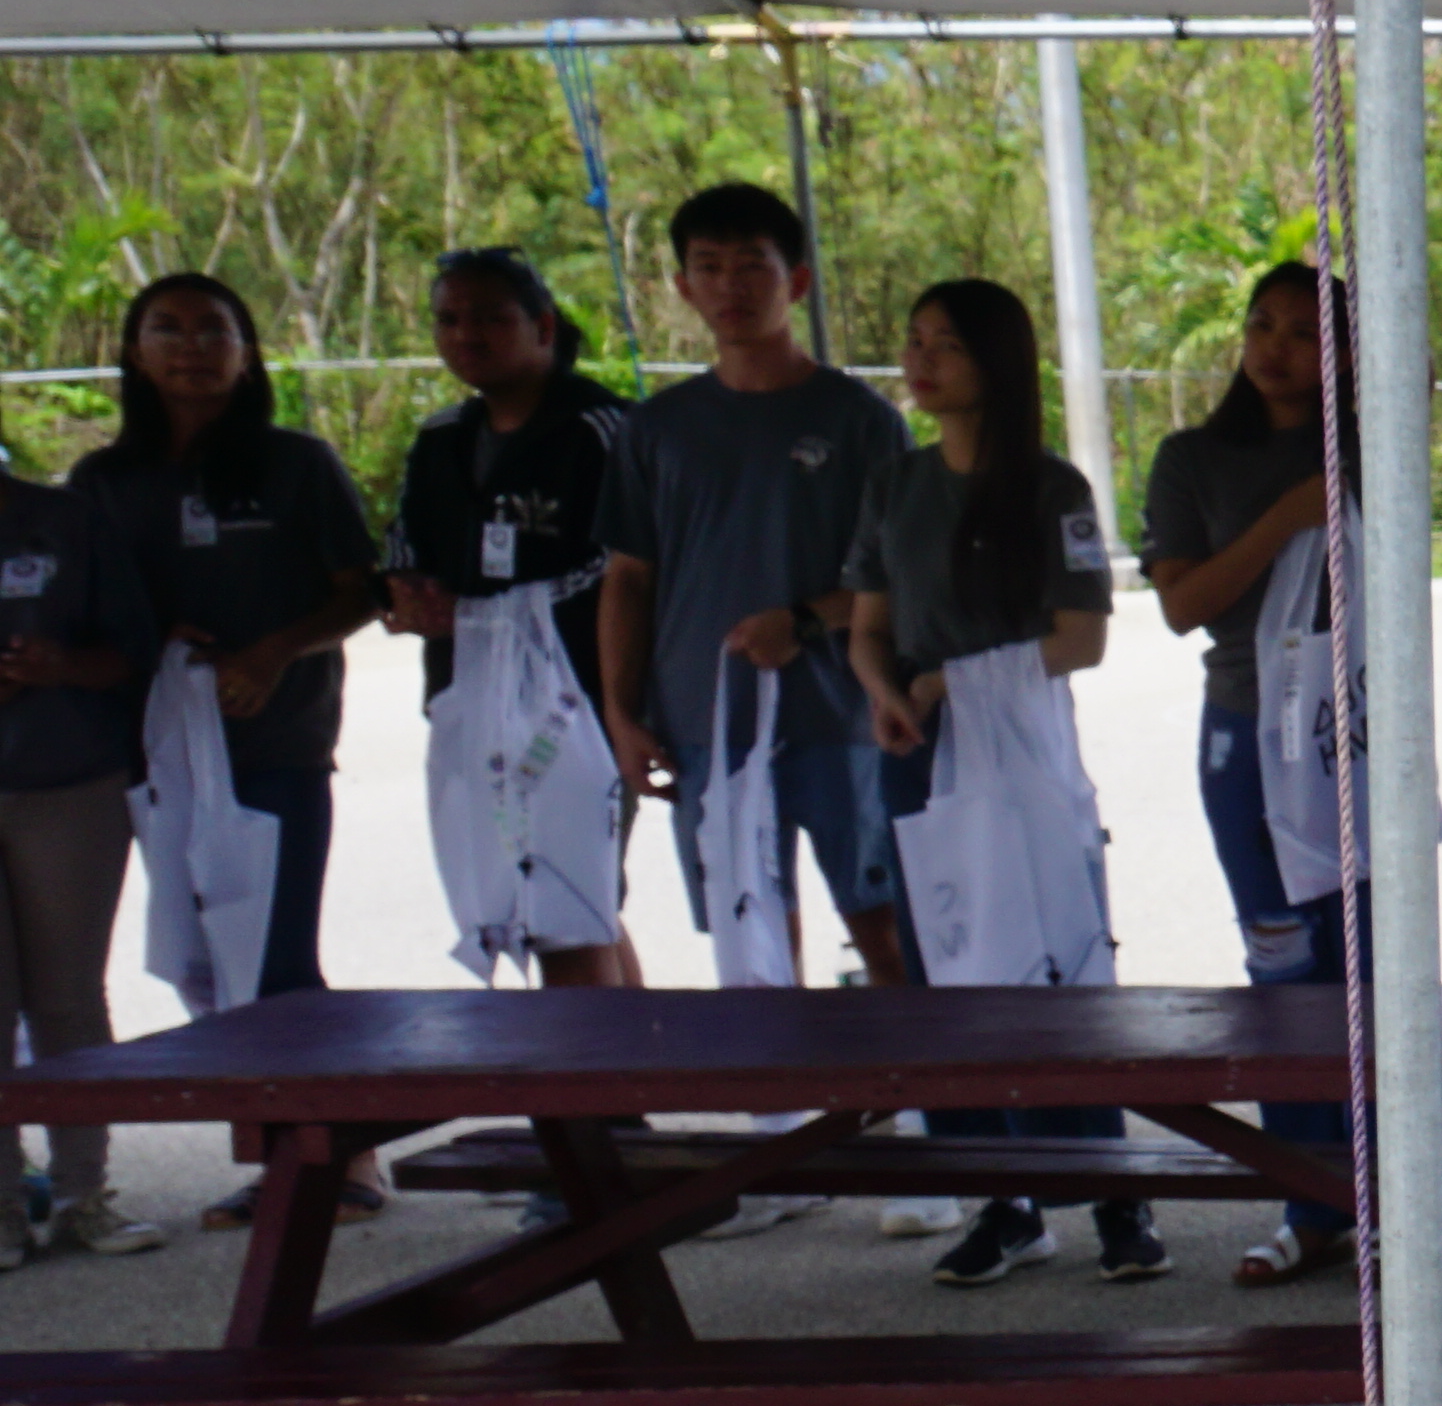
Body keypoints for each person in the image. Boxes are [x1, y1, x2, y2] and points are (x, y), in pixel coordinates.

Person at [845, 276, 1155, 1291]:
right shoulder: (896, 483)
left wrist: (951, 679)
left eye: (948, 344)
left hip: (1022, 751)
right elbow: (867, 629)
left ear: (998, 361)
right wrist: (889, 692)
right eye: (914, 337)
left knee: (1061, 961)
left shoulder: (1050, 487)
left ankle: (1113, 1191)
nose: (922, 360)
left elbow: (1083, 638)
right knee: (953, 976)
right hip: (926, 756)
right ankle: (1000, 1198)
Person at [76, 274, 388, 1221]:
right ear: (134, 353)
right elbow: (89, 609)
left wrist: (273, 650)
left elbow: (363, 591)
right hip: (154, 756)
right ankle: (301, 1150)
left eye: (215, 328)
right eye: (164, 329)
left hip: (278, 743)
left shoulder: (298, 464)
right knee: (205, 956)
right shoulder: (101, 481)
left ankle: (341, 1167)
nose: (190, 346)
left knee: (280, 954)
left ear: (248, 351)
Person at [599, 182, 920, 1037]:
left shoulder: (860, 421)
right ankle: (799, 1131)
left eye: (753, 267)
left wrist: (807, 619)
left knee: (887, 931)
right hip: (708, 726)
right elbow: (628, 579)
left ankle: (930, 1114)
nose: (731, 287)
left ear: (799, 282)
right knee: (756, 942)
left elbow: (904, 578)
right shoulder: (656, 428)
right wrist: (620, 713)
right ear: (681, 288)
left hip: (844, 717)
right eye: (709, 268)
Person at [1137, 259, 1354, 1283]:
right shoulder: (1193, 458)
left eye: (1306, 333)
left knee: (1364, 961)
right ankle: (1305, 1196)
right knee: (1280, 961)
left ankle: (1383, 1188)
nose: (1274, 347)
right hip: (1243, 733)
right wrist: (1289, 516)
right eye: (1261, 325)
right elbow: (1184, 606)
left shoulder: (1372, 447)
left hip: (1354, 739)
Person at [384, 246, 645, 997]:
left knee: (560, 905)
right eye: (450, 318)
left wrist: (493, 612)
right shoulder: (440, 438)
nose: (469, 333)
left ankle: (586, 1104)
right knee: (563, 902)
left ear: (542, 327)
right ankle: (629, 1088)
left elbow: (626, 562)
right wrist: (408, 595)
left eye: (493, 317)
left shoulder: (602, 428)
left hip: (579, 708)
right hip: (472, 702)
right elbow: (403, 547)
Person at [0, 423, 169, 1262]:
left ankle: (82, 1194)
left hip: (68, 784)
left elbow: (132, 651)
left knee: (66, 996)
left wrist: (55, 666)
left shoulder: (64, 519)